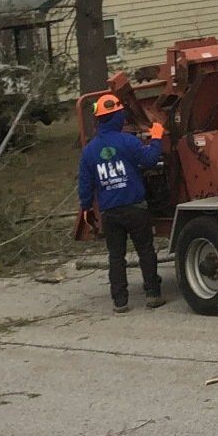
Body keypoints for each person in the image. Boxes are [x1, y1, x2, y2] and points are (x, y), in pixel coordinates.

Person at [78, 93, 167, 312]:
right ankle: (152, 295)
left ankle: (120, 302)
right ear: (118, 116)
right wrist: (156, 137)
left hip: (110, 213)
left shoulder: (89, 151)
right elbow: (150, 160)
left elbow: (85, 185)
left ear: (99, 119)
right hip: (135, 207)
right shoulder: (128, 141)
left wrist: (87, 209)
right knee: (145, 250)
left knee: (116, 256)